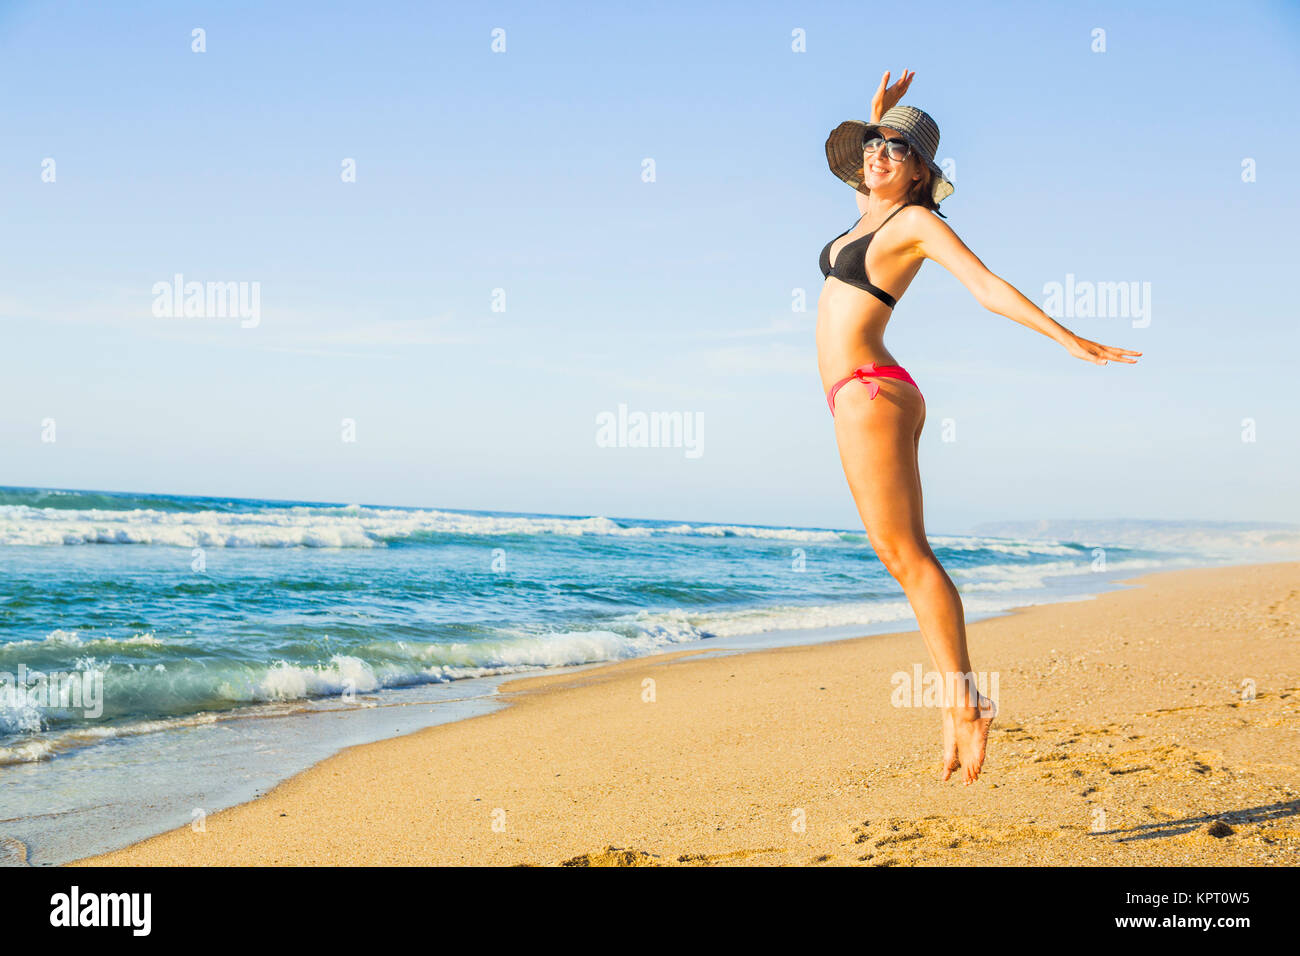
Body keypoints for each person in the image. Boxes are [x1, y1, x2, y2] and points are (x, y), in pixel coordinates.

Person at [817, 70, 1141, 784]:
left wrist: (1064, 336)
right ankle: (956, 701)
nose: (876, 157)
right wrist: (878, 121)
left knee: (907, 554)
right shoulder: (871, 214)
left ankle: (964, 701)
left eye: (894, 152)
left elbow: (987, 285)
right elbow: (866, 176)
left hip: (873, 391)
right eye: (872, 147)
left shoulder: (916, 223)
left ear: (923, 171)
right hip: (857, 393)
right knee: (898, 554)